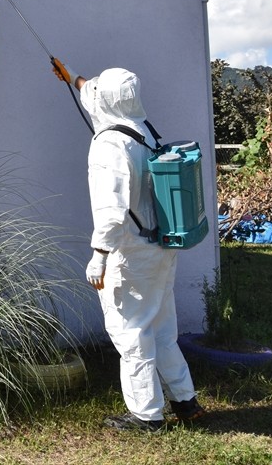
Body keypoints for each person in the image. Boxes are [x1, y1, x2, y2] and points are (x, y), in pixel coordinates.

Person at [51, 60, 206, 431]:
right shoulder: (144, 130)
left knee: (130, 333)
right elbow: (94, 92)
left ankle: (146, 415)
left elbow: (112, 208)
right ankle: (186, 402)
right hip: (159, 247)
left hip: (129, 253)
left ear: (106, 99)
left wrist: (99, 255)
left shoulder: (109, 144)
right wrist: (71, 75)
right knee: (162, 329)